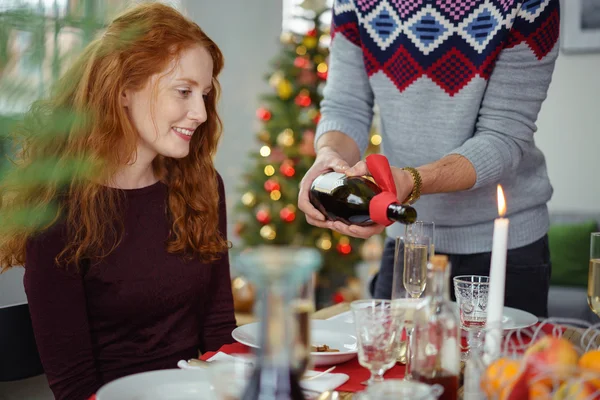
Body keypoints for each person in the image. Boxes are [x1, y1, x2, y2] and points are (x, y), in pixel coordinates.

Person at [0, 3, 236, 399]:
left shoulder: (201, 184)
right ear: (124, 89)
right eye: (183, 91)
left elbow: (219, 332)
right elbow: (75, 386)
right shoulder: (58, 208)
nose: (200, 112)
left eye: (205, 94)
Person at [299, 0, 560, 318]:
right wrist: (330, 157)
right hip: (407, 243)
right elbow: (345, 106)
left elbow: (504, 135)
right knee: (389, 361)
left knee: (498, 369)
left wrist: (413, 179)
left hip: (505, 251)